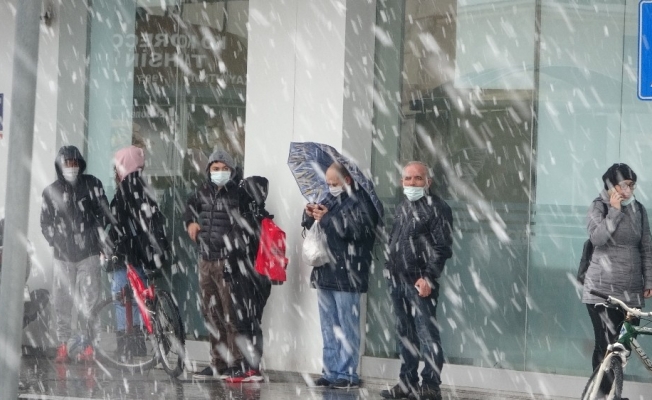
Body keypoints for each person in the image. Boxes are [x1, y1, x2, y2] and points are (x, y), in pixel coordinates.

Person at [185, 149, 270, 382]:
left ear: (232, 171)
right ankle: (218, 363)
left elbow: (249, 225)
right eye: (215, 168)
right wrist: (190, 222)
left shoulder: (239, 194)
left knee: (232, 314)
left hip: (228, 261)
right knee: (212, 314)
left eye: (224, 169)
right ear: (208, 170)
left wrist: (233, 248)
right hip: (206, 259)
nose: (220, 172)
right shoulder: (203, 191)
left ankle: (238, 363)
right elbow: (190, 207)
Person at [301, 162, 379, 389]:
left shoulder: (362, 202)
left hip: (348, 274)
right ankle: (330, 371)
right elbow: (318, 225)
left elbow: (355, 231)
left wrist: (326, 218)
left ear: (348, 180)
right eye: (328, 183)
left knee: (347, 327)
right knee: (329, 327)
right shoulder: (329, 199)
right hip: (325, 271)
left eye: (334, 183)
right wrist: (309, 214)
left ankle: (347, 373)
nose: (330, 187)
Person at [381, 161, 453, 400]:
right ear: (401, 182)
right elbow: (395, 239)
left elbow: (441, 248)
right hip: (397, 278)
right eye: (408, 179)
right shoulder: (403, 206)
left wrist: (428, 277)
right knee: (406, 334)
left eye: (418, 178)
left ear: (428, 182)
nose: (412, 183)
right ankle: (407, 382)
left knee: (426, 334)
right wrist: (389, 267)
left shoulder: (438, 208)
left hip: (420, 280)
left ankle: (430, 386)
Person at [582, 163, 652, 394]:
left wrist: (649, 280)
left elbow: (646, 247)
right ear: (611, 185)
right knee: (606, 347)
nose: (628, 190)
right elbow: (597, 238)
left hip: (631, 291)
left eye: (632, 185)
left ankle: (611, 393)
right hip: (602, 291)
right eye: (624, 185)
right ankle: (601, 395)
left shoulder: (639, 210)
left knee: (623, 350)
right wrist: (614, 210)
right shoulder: (599, 206)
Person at [40, 145, 109, 363]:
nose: (71, 166)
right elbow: (45, 222)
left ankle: (89, 346)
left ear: (80, 164)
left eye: (74, 162)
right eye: (67, 163)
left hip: (89, 254)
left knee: (91, 302)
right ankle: (63, 345)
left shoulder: (92, 185)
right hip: (63, 256)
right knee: (62, 302)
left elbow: (104, 213)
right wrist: (56, 240)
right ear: (60, 166)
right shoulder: (50, 191)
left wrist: (91, 236)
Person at [107, 145, 170, 358]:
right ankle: (141, 342)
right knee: (139, 297)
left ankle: (128, 344)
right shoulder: (145, 187)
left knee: (122, 297)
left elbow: (117, 225)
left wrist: (108, 246)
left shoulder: (124, 190)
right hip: (144, 254)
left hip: (127, 254)